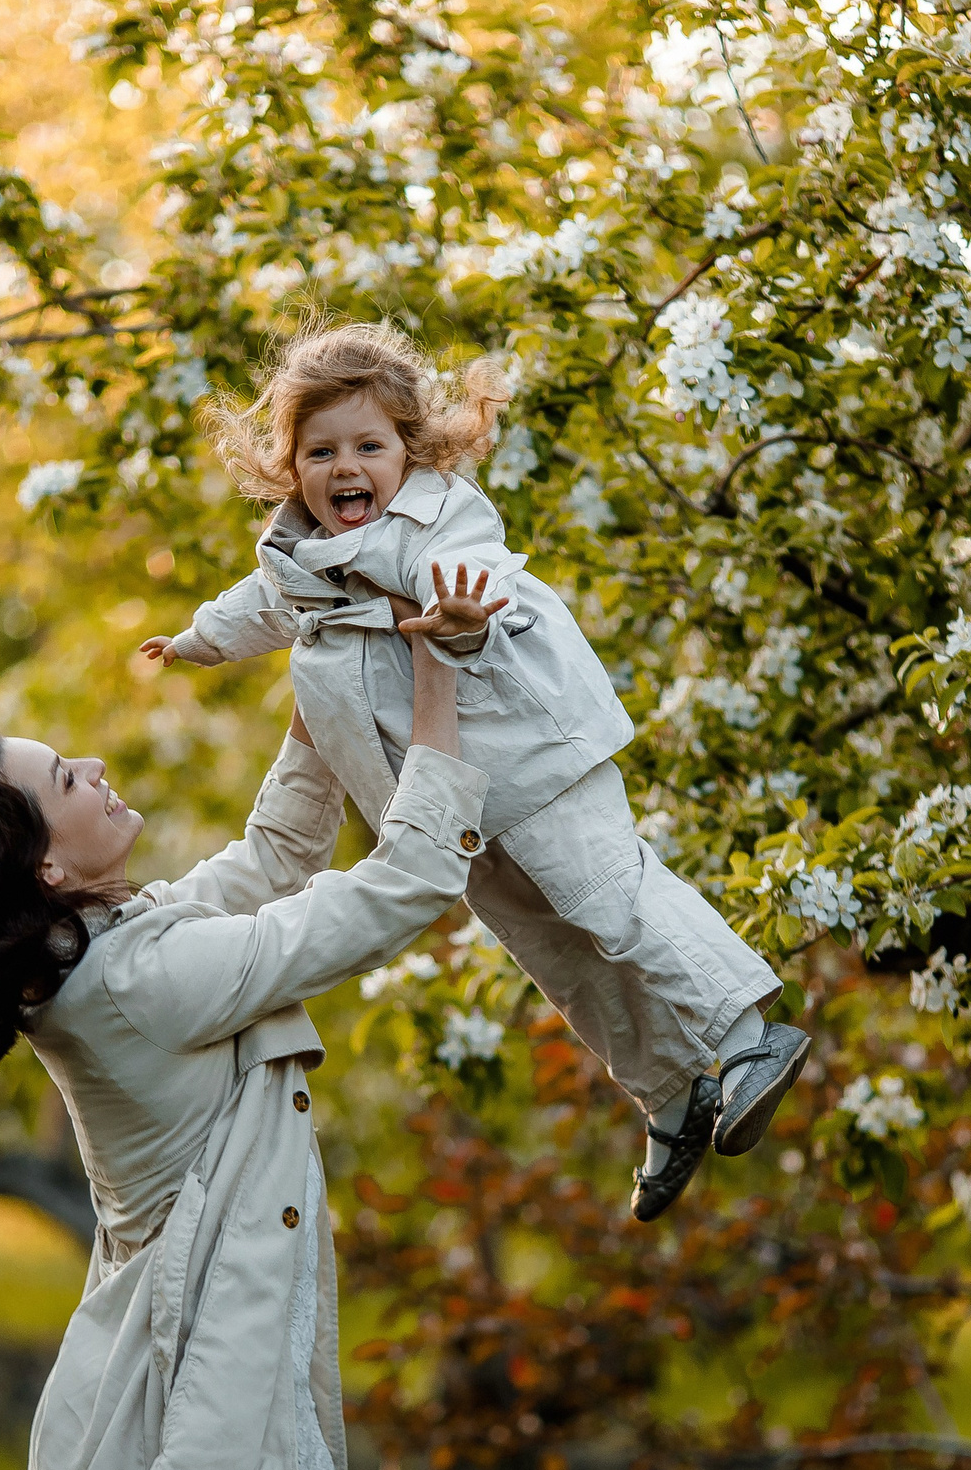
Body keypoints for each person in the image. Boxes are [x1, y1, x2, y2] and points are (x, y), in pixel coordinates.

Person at [0, 596, 491, 1470]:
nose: (97, 766)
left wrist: (323, 666)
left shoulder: (104, 949)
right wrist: (436, 680)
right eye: (67, 779)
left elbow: (272, 855)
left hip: (173, 1349)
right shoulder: (142, 984)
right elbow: (401, 885)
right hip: (194, 1364)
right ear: (46, 869)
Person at [141, 318, 806, 1219]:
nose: (347, 469)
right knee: (559, 955)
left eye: (368, 446)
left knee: (611, 896)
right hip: (448, 803)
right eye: (322, 450)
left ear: (409, 451)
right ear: (289, 467)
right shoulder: (296, 563)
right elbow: (254, 607)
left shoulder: (438, 514)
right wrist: (195, 642)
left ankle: (745, 1033)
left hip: (532, 760)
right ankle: (670, 1094)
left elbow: (473, 576)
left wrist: (462, 615)